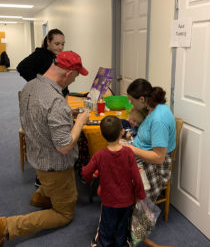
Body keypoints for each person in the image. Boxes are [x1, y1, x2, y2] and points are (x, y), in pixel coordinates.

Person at [0, 51, 90, 245]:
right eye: (76, 75)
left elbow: (41, 116)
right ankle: (7, 226)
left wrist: (68, 113)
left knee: (57, 189)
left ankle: (41, 196)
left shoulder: (31, 86)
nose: (74, 80)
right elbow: (65, 147)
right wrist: (80, 121)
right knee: (64, 214)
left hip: (37, 156)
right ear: (68, 73)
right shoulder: (56, 101)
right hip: (55, 166)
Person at [126, 78, 176, 247]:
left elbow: (159, 157)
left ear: (142, 99)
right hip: (143, 153)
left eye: (131, 100)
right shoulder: (151, 107)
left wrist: (131, 149)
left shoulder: (159, 119)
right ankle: (124, 216)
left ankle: (137, 235)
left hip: (156, 165)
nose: (129, 103)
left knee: (117, 174)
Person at [82, 115, 146, 247]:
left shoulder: (99, 155)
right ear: (122, 132)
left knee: (106, 227)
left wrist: (90, 177)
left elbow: (85, 173)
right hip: (127, 201)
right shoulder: (128, 153)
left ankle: (103, 244)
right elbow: (136, 177)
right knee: (123, 227)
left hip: (108, 201)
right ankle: (121, 243)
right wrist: (141, 195)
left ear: (101, 134)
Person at [17, 28, 67, 187]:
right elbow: (21, 67)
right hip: (44, 100)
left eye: (62, 44)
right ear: (48, 42)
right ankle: (42, 180)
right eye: (57, 43)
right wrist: (38, 84)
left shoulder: (55, 57)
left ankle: (57, 170)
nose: (60, 47)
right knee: (46, 138)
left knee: (56, 134)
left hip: (56, 98)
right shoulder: (41, 54)